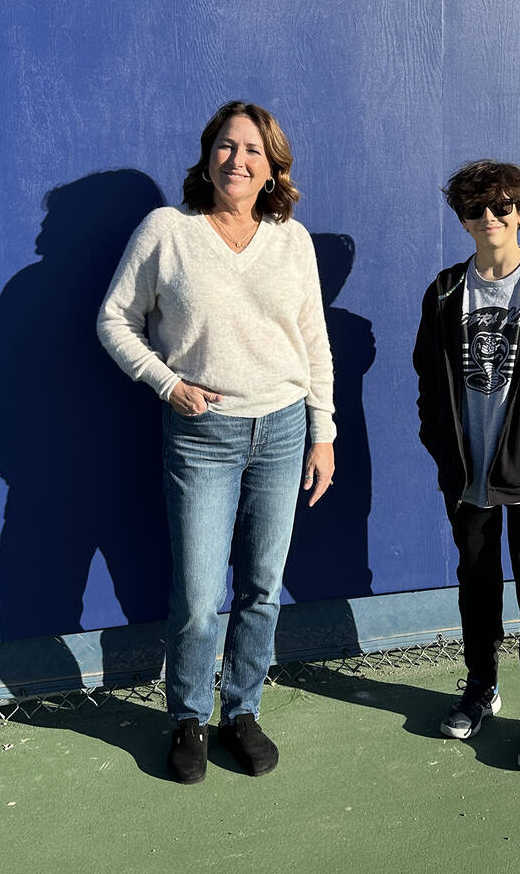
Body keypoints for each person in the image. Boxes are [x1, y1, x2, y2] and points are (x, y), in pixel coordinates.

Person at [98, 102, 335, 784]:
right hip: (201, 436)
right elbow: (115, 319)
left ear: (273, 168)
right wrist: (165, 382)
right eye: (227, 147)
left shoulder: (292, 239)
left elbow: (313, 342)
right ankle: (187, 718)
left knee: (262, 586)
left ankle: (242, 711)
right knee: (200, 594)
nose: (238, 160)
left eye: (253, 151)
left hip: (284, 427)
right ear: (207, 156)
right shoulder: (167, 231)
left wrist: (324, 432)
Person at [412, 160, 520, 772]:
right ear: (462, 220)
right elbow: (428, 380)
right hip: (467, 476)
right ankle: (479, 687)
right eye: (476, 209)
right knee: (477, 589)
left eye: (503, 205)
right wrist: (439, 440)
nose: (491, 217)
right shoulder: (442, 293)